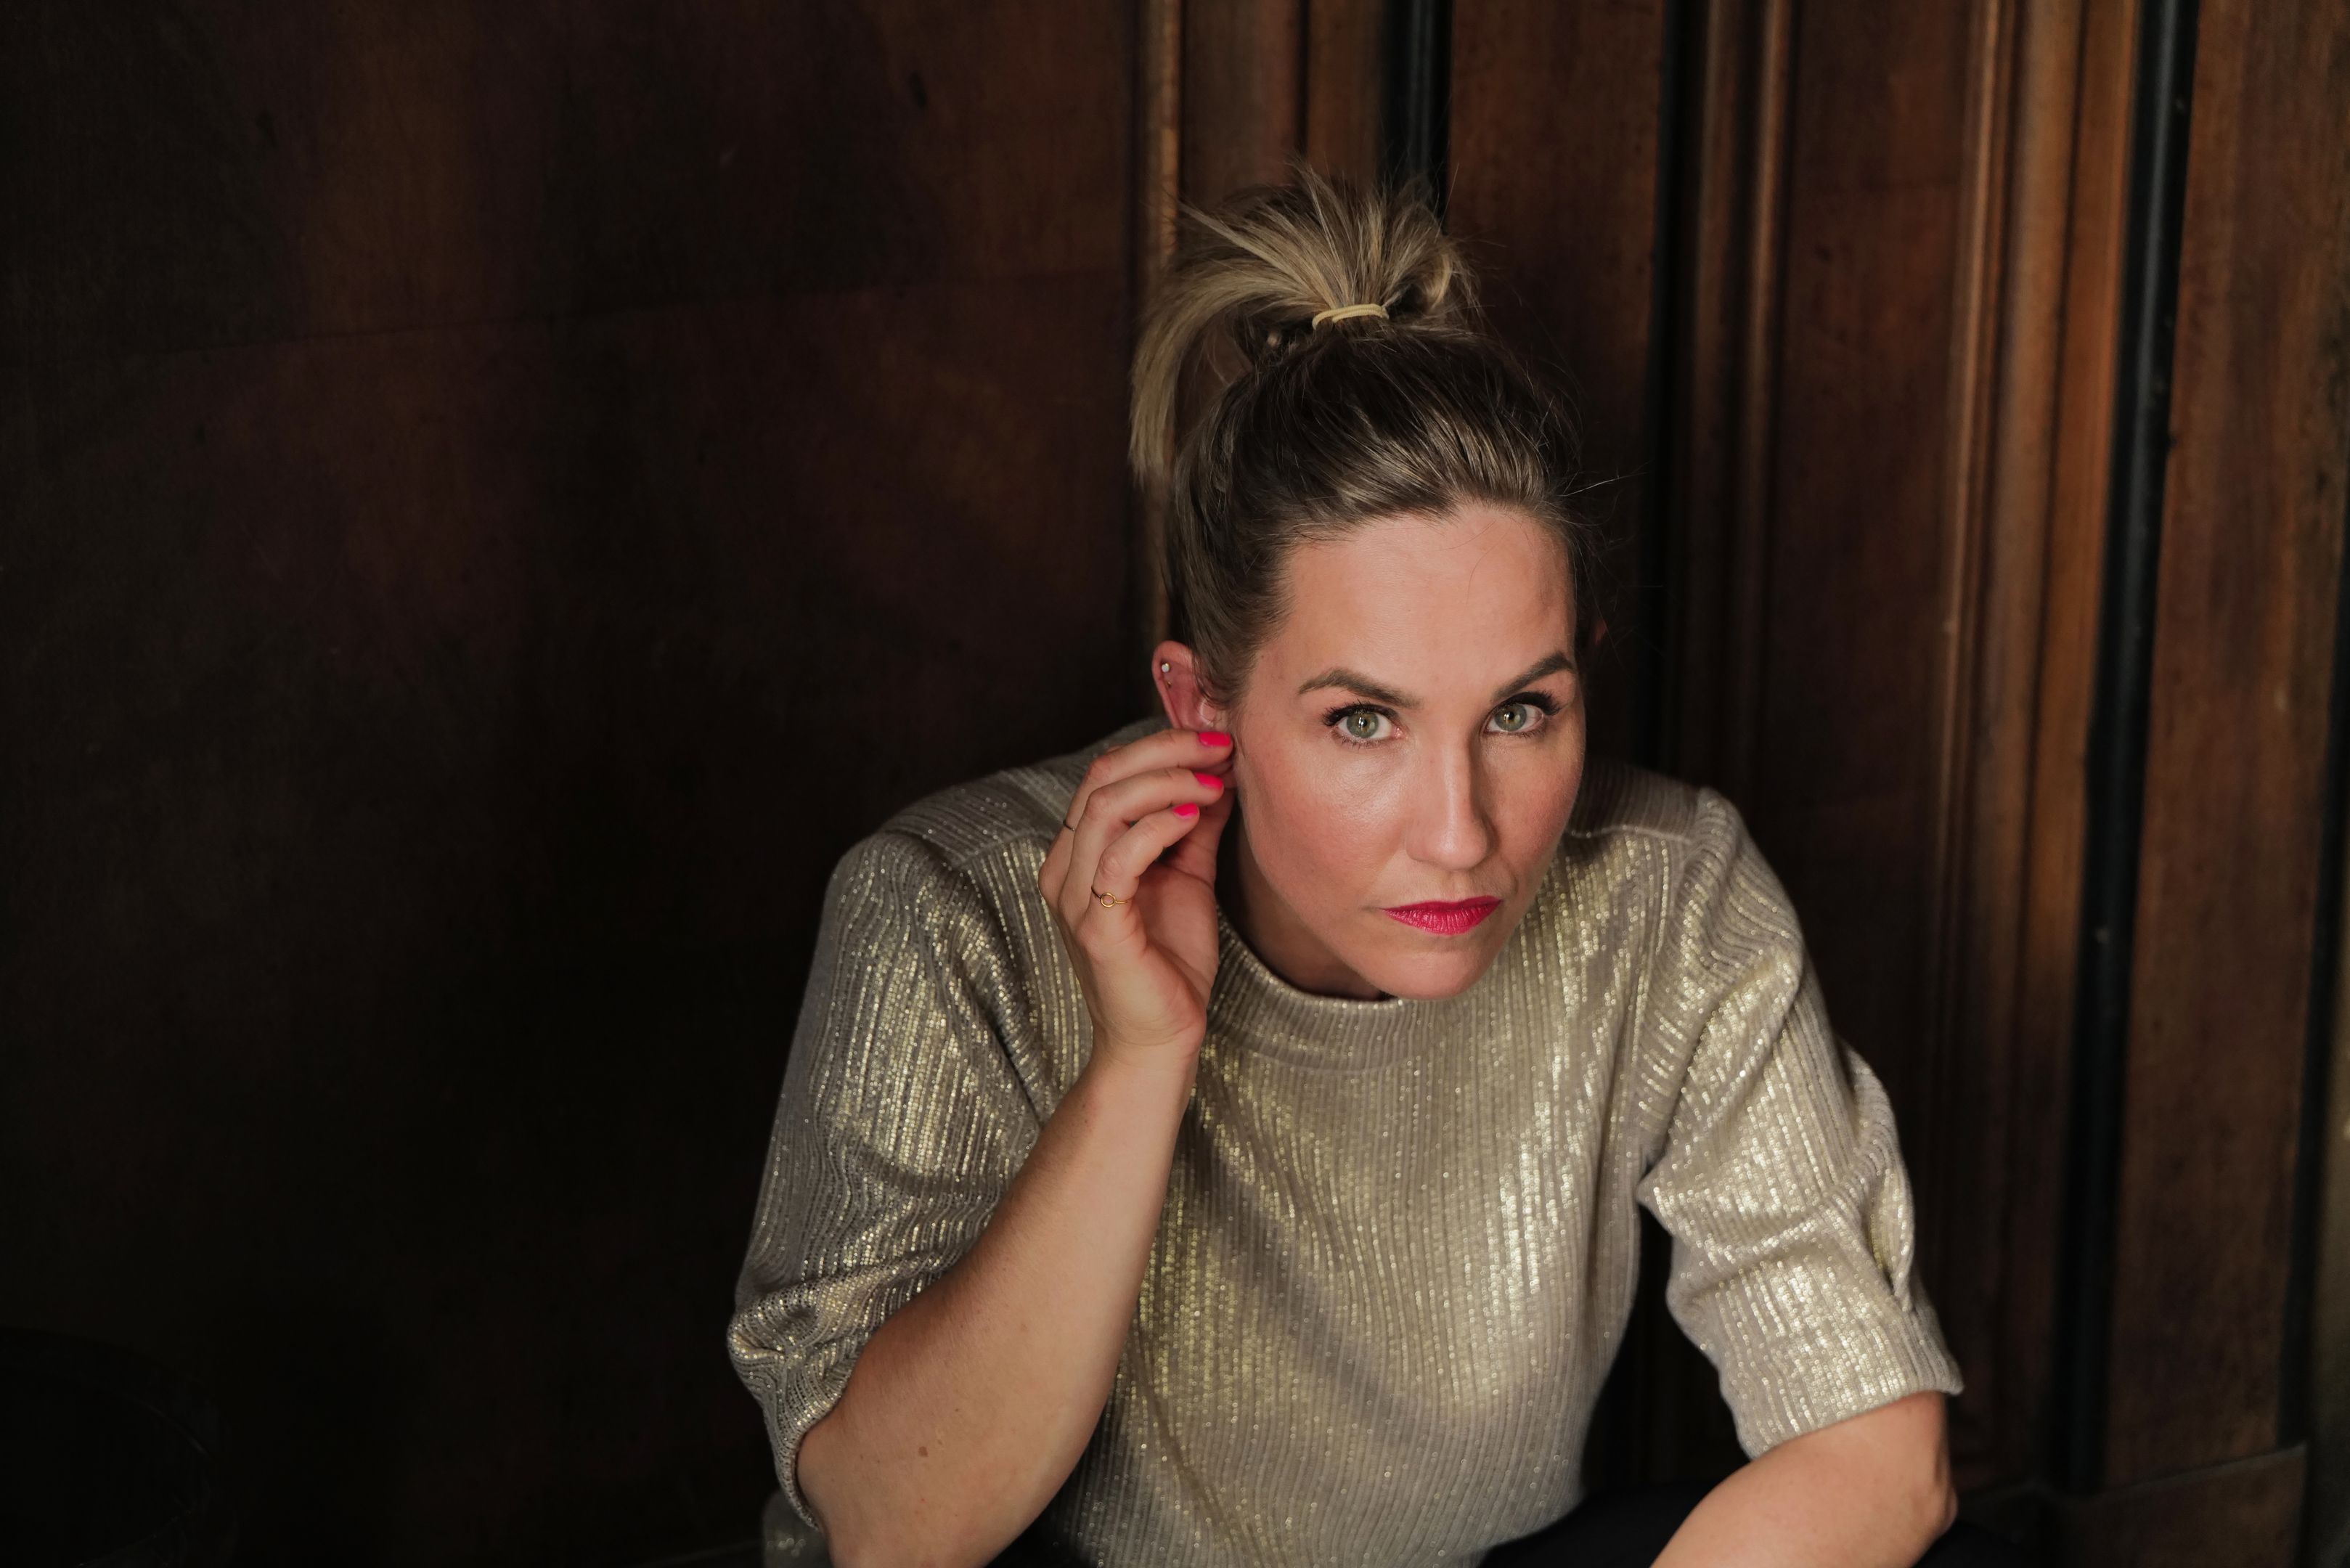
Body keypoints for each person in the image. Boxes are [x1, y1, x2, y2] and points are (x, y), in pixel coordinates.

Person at [726, 167, 2018, 1568]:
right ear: (1202, 708)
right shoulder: (947, 908)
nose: (1459, 833)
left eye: (1520, 713)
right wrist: (1140, 1060)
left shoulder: (1666, 892)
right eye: (1362, 721)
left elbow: (1880, 1462)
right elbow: (896, 1532)